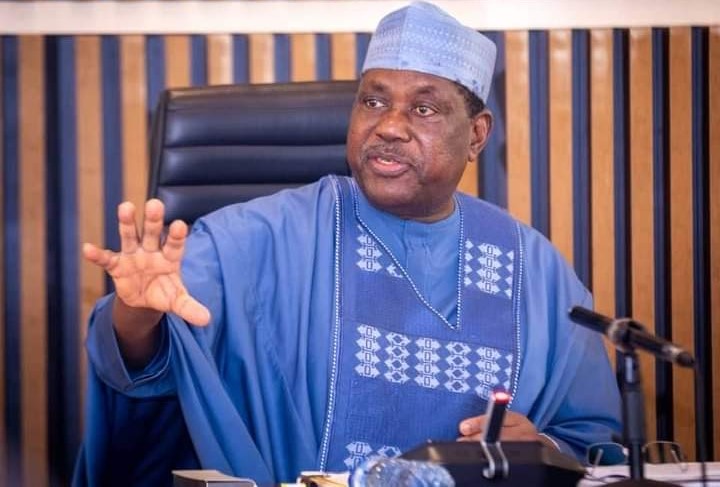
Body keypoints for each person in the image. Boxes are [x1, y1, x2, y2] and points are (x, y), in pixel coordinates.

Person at [73, 2, 621, 486]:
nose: (390, 127)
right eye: (374, 102)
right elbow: (139, 369)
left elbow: (594, 442)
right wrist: (136, 313)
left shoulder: (535, 270)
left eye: (423, 109)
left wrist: (542, 450)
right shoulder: (256, 238)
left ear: (477, 134)